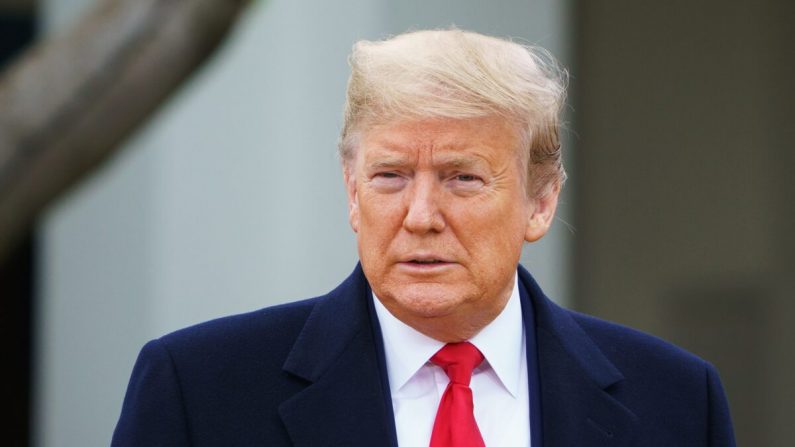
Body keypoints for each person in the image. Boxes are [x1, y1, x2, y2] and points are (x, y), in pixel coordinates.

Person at [112, 29, 735, 447]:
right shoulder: (199, 390)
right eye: (390, 177)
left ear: (540, 202)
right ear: (352, 193)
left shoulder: (675, 402)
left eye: (462, 178)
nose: (420, 215)